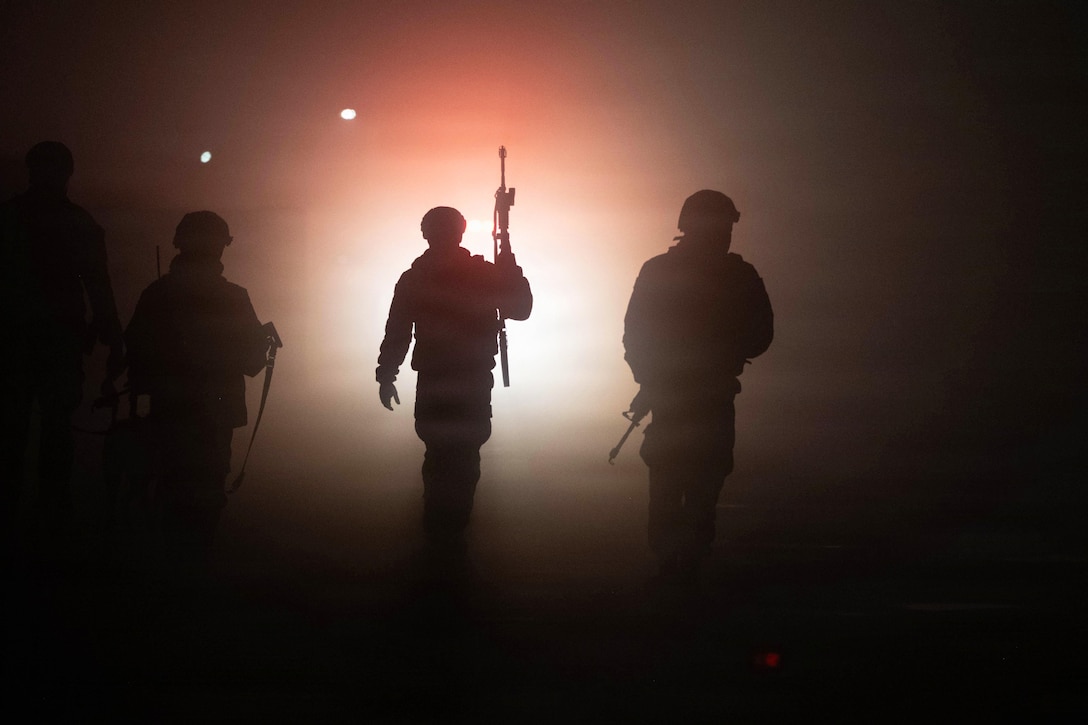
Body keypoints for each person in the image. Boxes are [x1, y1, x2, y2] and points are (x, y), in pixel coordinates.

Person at [623, 190, 773, 587]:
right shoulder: (737, 275)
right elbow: (761, 336)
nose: (725, 234)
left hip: (679, 394)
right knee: (698, 478)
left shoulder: (659, 271)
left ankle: (675, 562)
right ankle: (684, 562)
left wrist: (650, 378)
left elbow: (635, 335)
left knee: (677, 478)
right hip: (705, 394)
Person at [377, 206, 532, 540]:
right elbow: (520, 308)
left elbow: (397, 332)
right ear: (460, 232)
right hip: (469, 381)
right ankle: (450, 532)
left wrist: (387, 374)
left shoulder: (415, 277)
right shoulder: (478, 274)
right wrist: (508, 266)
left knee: (439, 458)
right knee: (461, 459)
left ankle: (439, 531)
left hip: (440, 381)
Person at [124, 211, 269, 561]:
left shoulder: (158, 293)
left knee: (171, 486)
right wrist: (262, 343)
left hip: (170, 409)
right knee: (204, 492)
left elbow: (135, 353)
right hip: (214, 413)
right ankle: (190, 566)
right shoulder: (234, 298)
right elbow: (252, 364)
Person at [0, 141, 124, 531]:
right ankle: (51, 509)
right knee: (55, 426)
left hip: (13, 340)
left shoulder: (9, 218)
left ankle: (10, 508)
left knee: (12, 426)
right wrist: (113, 337)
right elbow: (98, 286)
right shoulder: (79, 223)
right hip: (57, 340)